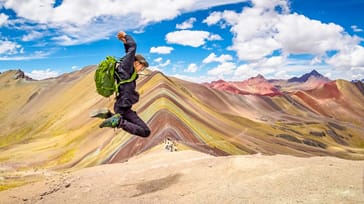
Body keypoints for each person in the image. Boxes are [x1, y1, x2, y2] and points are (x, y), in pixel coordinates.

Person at [97, 31, 151, 137]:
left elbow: (129, 53)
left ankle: (108, 115)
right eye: (142, 66)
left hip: (123, 106)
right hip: (123, 107)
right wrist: (126, 36)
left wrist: (125, 42)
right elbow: (133, 47)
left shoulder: (127, 70)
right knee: (145, 132)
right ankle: (117, 121)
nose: (142, 69)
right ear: (136, 62)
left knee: (140, 128)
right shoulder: (126, 67)